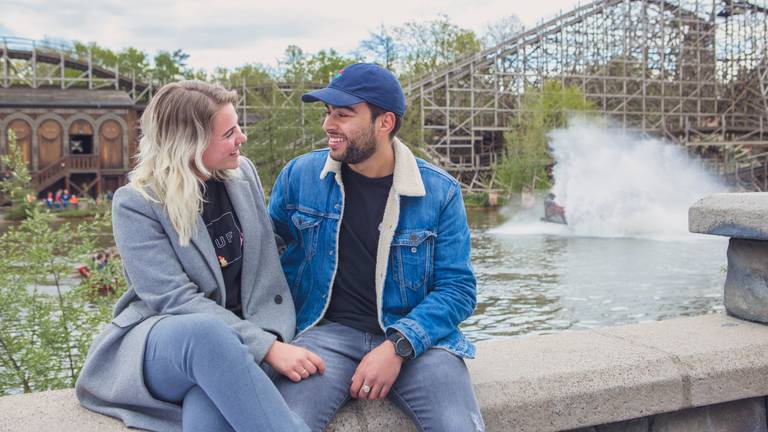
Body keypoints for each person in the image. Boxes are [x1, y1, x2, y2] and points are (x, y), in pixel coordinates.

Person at [76, 81, 322, 432]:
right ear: (189, 143)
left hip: (233, 344)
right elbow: (174, 300)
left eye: (238, 127)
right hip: (169, 342)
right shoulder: (137, 203)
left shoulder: (243, 174)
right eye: (229, 133)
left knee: (208, 405)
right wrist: (267, 348)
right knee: (207, 336)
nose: (242, 138)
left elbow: (272, 252)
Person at [269, 63, 484, 432]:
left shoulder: (440, 192)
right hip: (324, 333)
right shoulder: (298, 176)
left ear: (384, 122)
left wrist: (398, 345)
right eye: (328, 113)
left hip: (419, 341)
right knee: (281, 424)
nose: (328, 125)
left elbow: (458, 289)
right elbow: (262, 261)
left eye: (343, 114)